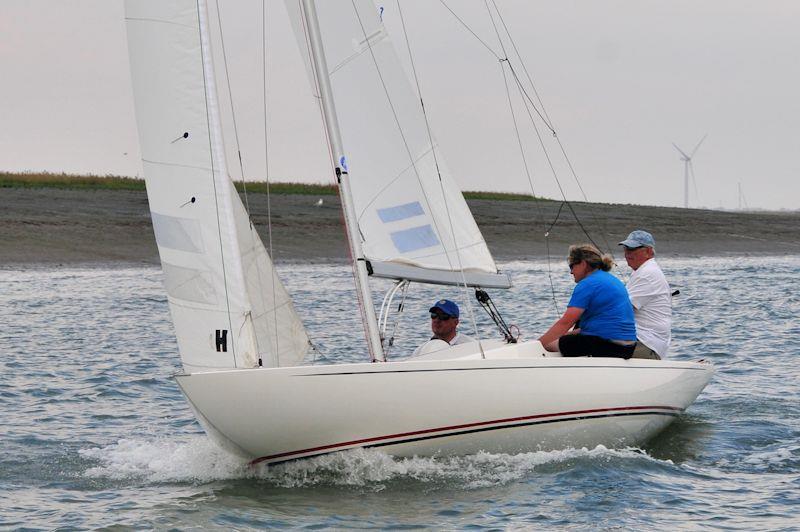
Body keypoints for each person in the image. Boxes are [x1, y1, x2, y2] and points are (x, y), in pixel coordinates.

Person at [538, 244, 637, 358]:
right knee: (563, 339)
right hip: (628, 347)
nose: (571, 272)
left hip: (607, 345)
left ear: (583, 264)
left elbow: (565, 322)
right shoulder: (611, 279)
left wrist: (536, 345)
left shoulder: (588, 283)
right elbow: (593, 326)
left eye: (572, 266)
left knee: (548, 346)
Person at [619, 230, 672, 360]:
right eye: (625, 249)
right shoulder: (642, 271)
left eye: (631, 249)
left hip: (647, 343)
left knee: (585, 341)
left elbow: (621, 310)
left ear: (648, 252)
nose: (627, 254)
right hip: (640, 338)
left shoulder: (647, 274)